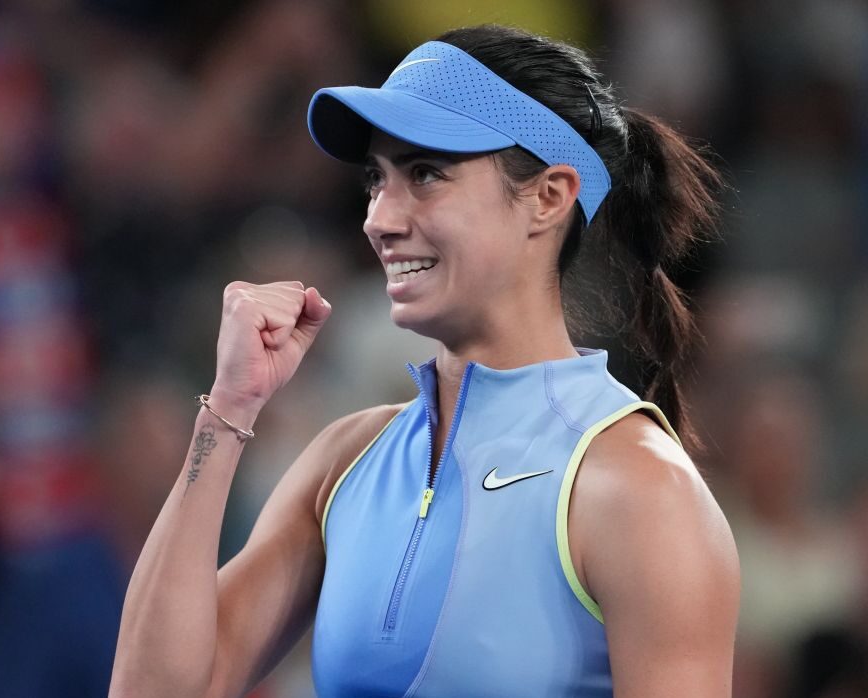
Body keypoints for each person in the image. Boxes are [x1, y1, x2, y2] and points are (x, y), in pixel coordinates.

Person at [109, 24, 740, 697]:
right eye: (376, 180)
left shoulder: (639, 489)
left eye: (425, 174)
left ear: (549, 197)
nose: (379, 218)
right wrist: (227, 410)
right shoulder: (343, 462)